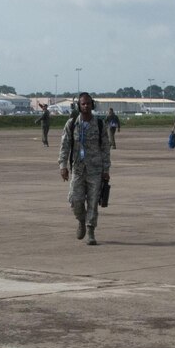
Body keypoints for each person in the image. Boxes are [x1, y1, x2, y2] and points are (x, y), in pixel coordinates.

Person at [58, 91, 111, 245]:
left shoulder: (100, 125)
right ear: (79, 106)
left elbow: (105, 148)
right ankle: (81, 220)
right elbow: (65, 145)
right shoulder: (72, 123)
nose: (86, 106)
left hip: (95, 169)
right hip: (78, 169)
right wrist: (63, 166)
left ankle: (90, 231)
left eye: (88, 103)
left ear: (92, 104)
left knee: (93, 202)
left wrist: (106, 170)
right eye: (83, 104)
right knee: (75, 199)